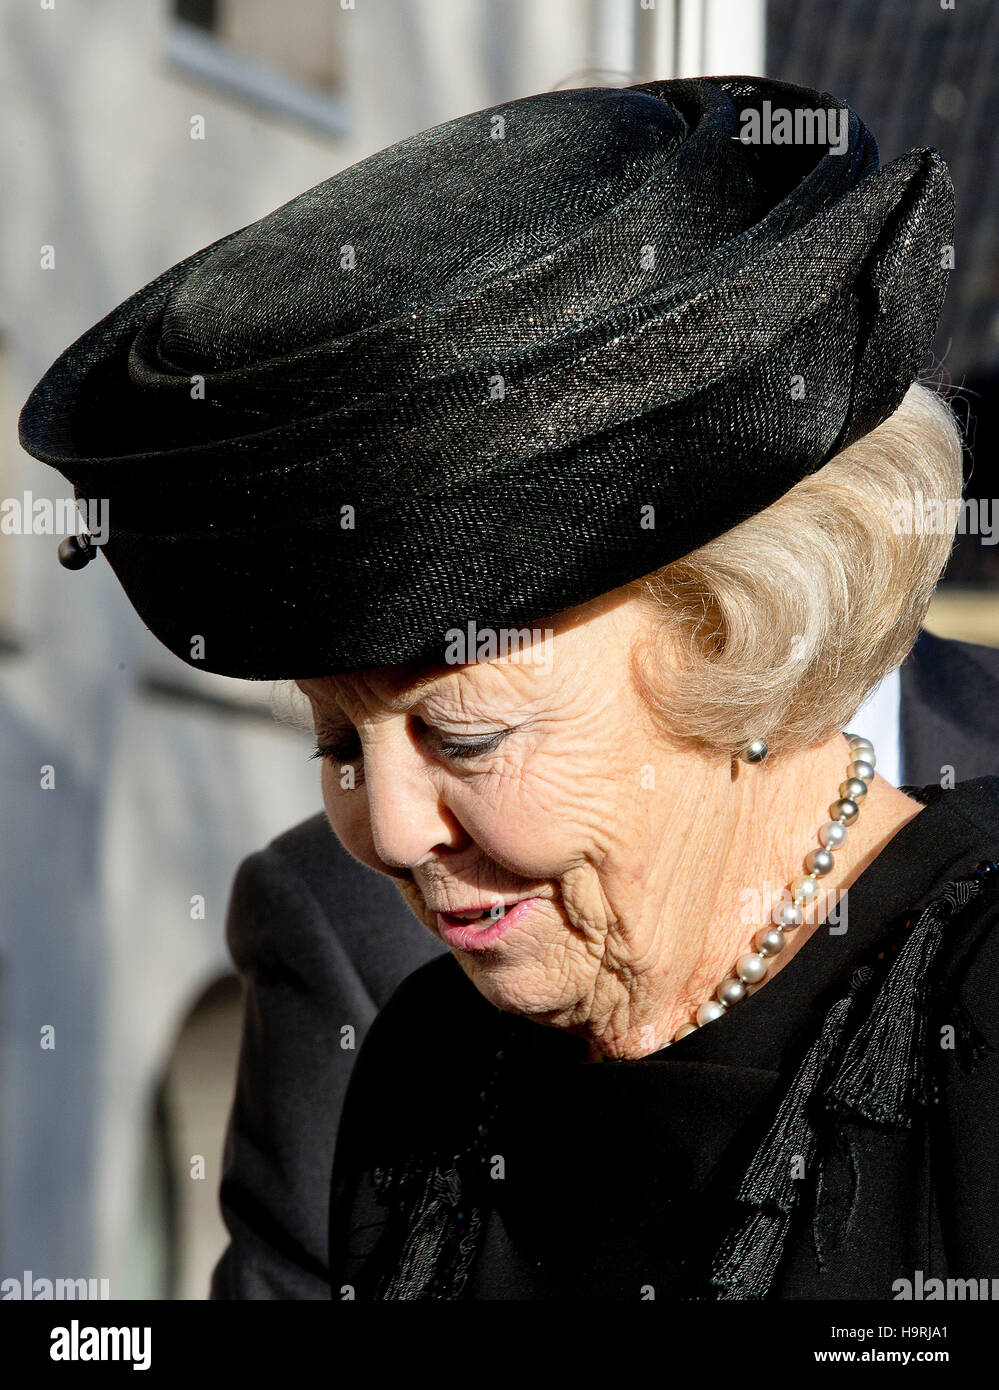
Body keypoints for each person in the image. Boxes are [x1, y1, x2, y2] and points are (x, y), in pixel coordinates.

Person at [19, 74, 999, 1302]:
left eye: (465, 734)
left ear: (734, 639)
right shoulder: (424, 1067)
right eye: (336, 743)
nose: (386, 830)